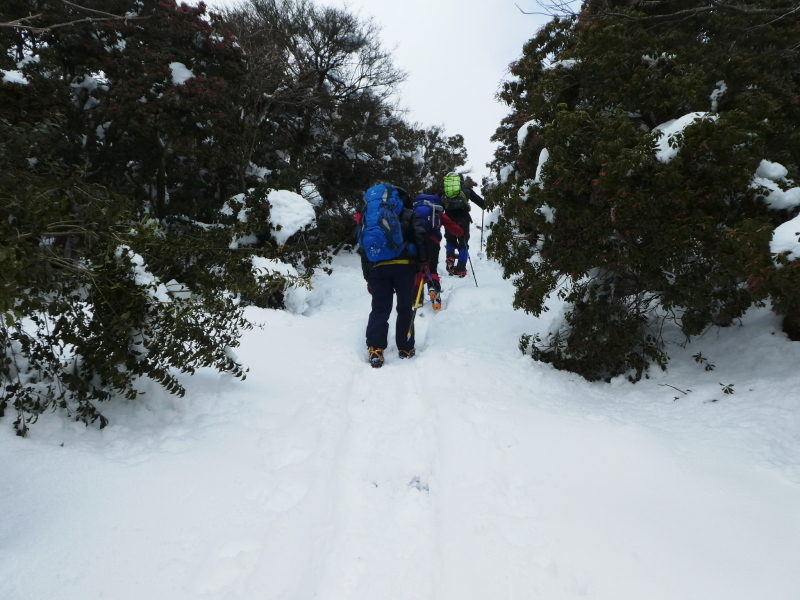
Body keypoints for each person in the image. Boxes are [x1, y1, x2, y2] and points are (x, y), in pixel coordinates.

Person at [359, 185, 430, 368]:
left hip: (378, 268)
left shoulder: (370, 216)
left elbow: (364, 246)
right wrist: (423, 262)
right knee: (405, 307)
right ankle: (405, 348)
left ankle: (375, 349)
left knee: (380, 309)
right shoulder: (408, 214)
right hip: (404, 267)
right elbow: (420, 235)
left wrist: (368, 276)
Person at [412, 194, 464, 310]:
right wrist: (462, 232)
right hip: (433, 242)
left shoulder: (414, 210)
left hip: (416, 242)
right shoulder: (437, 211)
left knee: (417, 269)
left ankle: (416, 297)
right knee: (432, 269)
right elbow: (452, 226)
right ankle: (434, 289)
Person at [439, 172, 486, 277]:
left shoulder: (444, 191)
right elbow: (479, 201)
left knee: (450, 240)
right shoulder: (466, 190)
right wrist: (484, 205)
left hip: (448, 219)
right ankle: (461, 269)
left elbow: (438, 204)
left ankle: (450, 258)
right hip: (464, 219)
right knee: (463, 242)